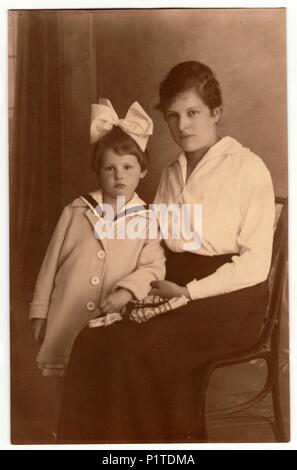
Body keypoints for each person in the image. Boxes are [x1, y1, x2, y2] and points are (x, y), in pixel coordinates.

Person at [57, 62, 275, 443]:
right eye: (173, 116)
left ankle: (164, 445)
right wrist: (131, 286)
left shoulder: (247, 168)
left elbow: (255, 265)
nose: (182, 126)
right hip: (172, 283)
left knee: (133, 349)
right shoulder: (172, 172)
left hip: (231, 298)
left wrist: (189, 293)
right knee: (93, 340)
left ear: (216, 113)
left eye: (193, 113)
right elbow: (153, 243)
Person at [29, 98, 166, 378]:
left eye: (127, 167)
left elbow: (153, 267)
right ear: (98, 170)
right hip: (68, 315)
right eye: (110, 168)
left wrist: (127, 291)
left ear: (142, 171)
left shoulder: (148, 219)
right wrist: (40, 312)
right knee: (66, 380)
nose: (119, 176)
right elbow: (49, 265)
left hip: (112, 321)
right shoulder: (76, 211)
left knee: (103, 380)